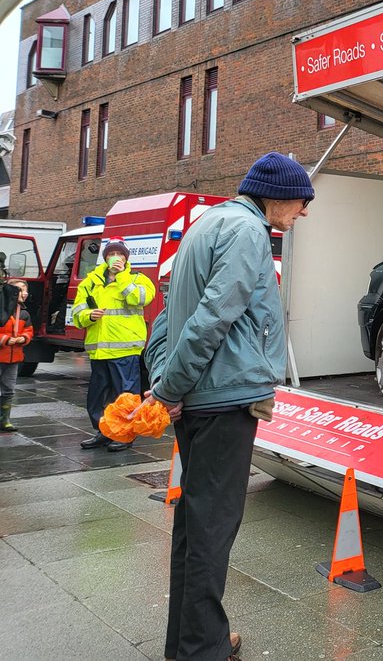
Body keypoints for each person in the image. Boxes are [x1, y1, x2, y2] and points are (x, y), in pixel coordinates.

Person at [144, 151, 313, 661]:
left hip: (202, 397)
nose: (304, 212)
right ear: (277, 196)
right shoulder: (247, 232)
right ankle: (203, 649)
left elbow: (169, 316)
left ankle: (188, 642)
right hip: (224, 399)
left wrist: (166, 381)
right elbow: (212, 318)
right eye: (302, 201)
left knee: (194, 526)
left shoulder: (207, 223)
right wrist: (169, 389)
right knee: (212, 530)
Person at [73, 240, 156, 452]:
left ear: (126, 258)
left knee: (125, 396)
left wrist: (121, 277)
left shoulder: (137, 279)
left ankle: (125, 435)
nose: (116, 257)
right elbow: (77, 314)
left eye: (120, 254)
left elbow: (141, 298)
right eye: (111, 254)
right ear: (105, 257)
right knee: (97, 397)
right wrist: (88, 315)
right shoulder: (90, 282)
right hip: (99, 350)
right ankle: (104, 432)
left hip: (125, 349)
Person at [0, 279, 34, 432]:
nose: (25, 293)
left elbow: (29, 330)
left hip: (14, 358)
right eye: (21, 290)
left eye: (26, 290)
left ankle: (4, 420)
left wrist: (24, 338)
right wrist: (5, 339)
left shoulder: (24, 313)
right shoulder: (2, 311)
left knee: (9, 389)